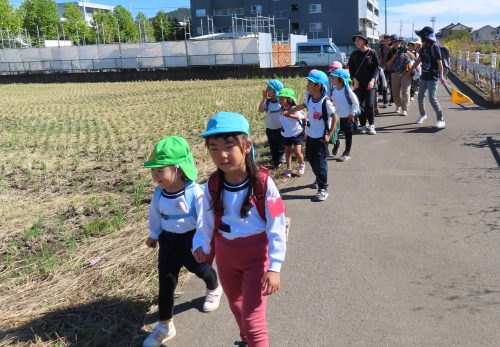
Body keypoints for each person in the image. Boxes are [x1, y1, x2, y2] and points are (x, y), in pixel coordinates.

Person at [193, 112, 287, 347]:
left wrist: (274, 267)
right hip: (226, 256)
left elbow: (277, 225)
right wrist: (201, 246)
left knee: (253, 319)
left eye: (228, 146)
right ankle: (247, 341)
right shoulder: (213, 185)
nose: (221, 155)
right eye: (213, 148)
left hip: (257, 257)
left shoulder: (264, 184)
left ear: (246, 146)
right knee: (236, 305)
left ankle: (254, 340)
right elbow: (204, 220)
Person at [143, 136, 223, 347]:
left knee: (202, 270)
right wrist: (154, 234)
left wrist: (202, 245)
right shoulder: (159, 194)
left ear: (178, 169)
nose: (155, 175)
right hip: (168, 243)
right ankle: (165, 325)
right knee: (166, 283)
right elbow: (155, 215)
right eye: (153, 170)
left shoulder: (195, 193)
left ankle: (214, 287)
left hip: (191, 241)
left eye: (160, 170)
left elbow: (204, 221)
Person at [284, 70, 337, 201]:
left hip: (321, 137)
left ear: (318, 85)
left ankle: (323, 188)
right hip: (311, 136)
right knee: (310, 159)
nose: (307, 85)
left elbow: (335, 118)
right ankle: (319, 179)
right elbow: (302, 106)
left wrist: (329, 134)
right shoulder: (310, 98)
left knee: (320, 163)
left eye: (310, 82)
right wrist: (289, 111)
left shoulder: (325, 102)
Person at [410, 26, 447, 129]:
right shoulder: (423, 47)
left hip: (433, 77)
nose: (420, 37)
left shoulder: (434, 46)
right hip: (424, 76)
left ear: (426, 36)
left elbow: (440, 63)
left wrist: (442, 76)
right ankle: (422, 114)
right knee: (420, 97)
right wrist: (411, 69)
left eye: (422, 36)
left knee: (432, 98)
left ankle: (441, 119)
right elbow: (418, 60)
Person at [348, 32, 380, 135]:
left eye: (359, 40)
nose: (356, 42)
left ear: (365, 41)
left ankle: (371, 125)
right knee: (359, 105)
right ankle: (362, 125)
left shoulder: (372, 53)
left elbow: (376, 68)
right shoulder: (354, 54)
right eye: (355, 40)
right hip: (358, 84)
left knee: (369, 105)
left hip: (370, 83)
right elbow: (351, 69)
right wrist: (354, 79)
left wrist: (373, 80)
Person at [330, 68, 361, 162]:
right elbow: (332, 102)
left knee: (348, 135)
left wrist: (352, 113)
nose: (332, 79)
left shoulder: (347, 90)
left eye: (334, 78)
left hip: (348, 117)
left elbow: (356, 102)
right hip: (338, 118)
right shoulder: (334, 90)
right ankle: (337, 143)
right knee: (335, 134)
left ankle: (347, 153)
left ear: (341, 79)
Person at [277, 87, 306, 178]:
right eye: (279, 98)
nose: (280, 100)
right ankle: (288, 168)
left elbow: (300, 117)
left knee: (297, 152)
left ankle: (301, 164)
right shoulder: (281, 109)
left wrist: (289, 114)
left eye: (282, 98)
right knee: (288, 152)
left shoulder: (294, 108)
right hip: (286, 134)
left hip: (297, 133)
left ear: (289, 99)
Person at [386, 35, 416, 116]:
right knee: (395, 92)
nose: (396, 43)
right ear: (392, 43)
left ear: (400, 42)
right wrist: (395, 55)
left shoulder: (405, 49)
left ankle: (404, 109)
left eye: (397, 42)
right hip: (395, 73)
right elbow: (388, 64)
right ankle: (398, 105)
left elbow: (414, 58)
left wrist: (406, 51)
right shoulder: (391, 51)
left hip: (406, 73)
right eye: (394, 42)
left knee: (405, 91)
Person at [258, 79, 285, 168]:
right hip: (270, 128)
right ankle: (275, 159)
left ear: (276, 91)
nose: (266, 91)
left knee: (280, 145)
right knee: (272, 145)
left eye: (269, 89)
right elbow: (261, 110)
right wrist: (264, 98)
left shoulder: (281, 102)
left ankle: (281, 158)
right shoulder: (268, 101)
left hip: (280, 128)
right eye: (267, 88)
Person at [378, 34, 392, 108]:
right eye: (386, 39)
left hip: (393, 70)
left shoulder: (393, 48)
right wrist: (379, 67)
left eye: (388, 39)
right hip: (385, 69)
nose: (387, 40)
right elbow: (379, 59)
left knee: (392, 86)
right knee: (385, 85)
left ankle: (392, 100)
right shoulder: (382, 49)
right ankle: (385, 101)